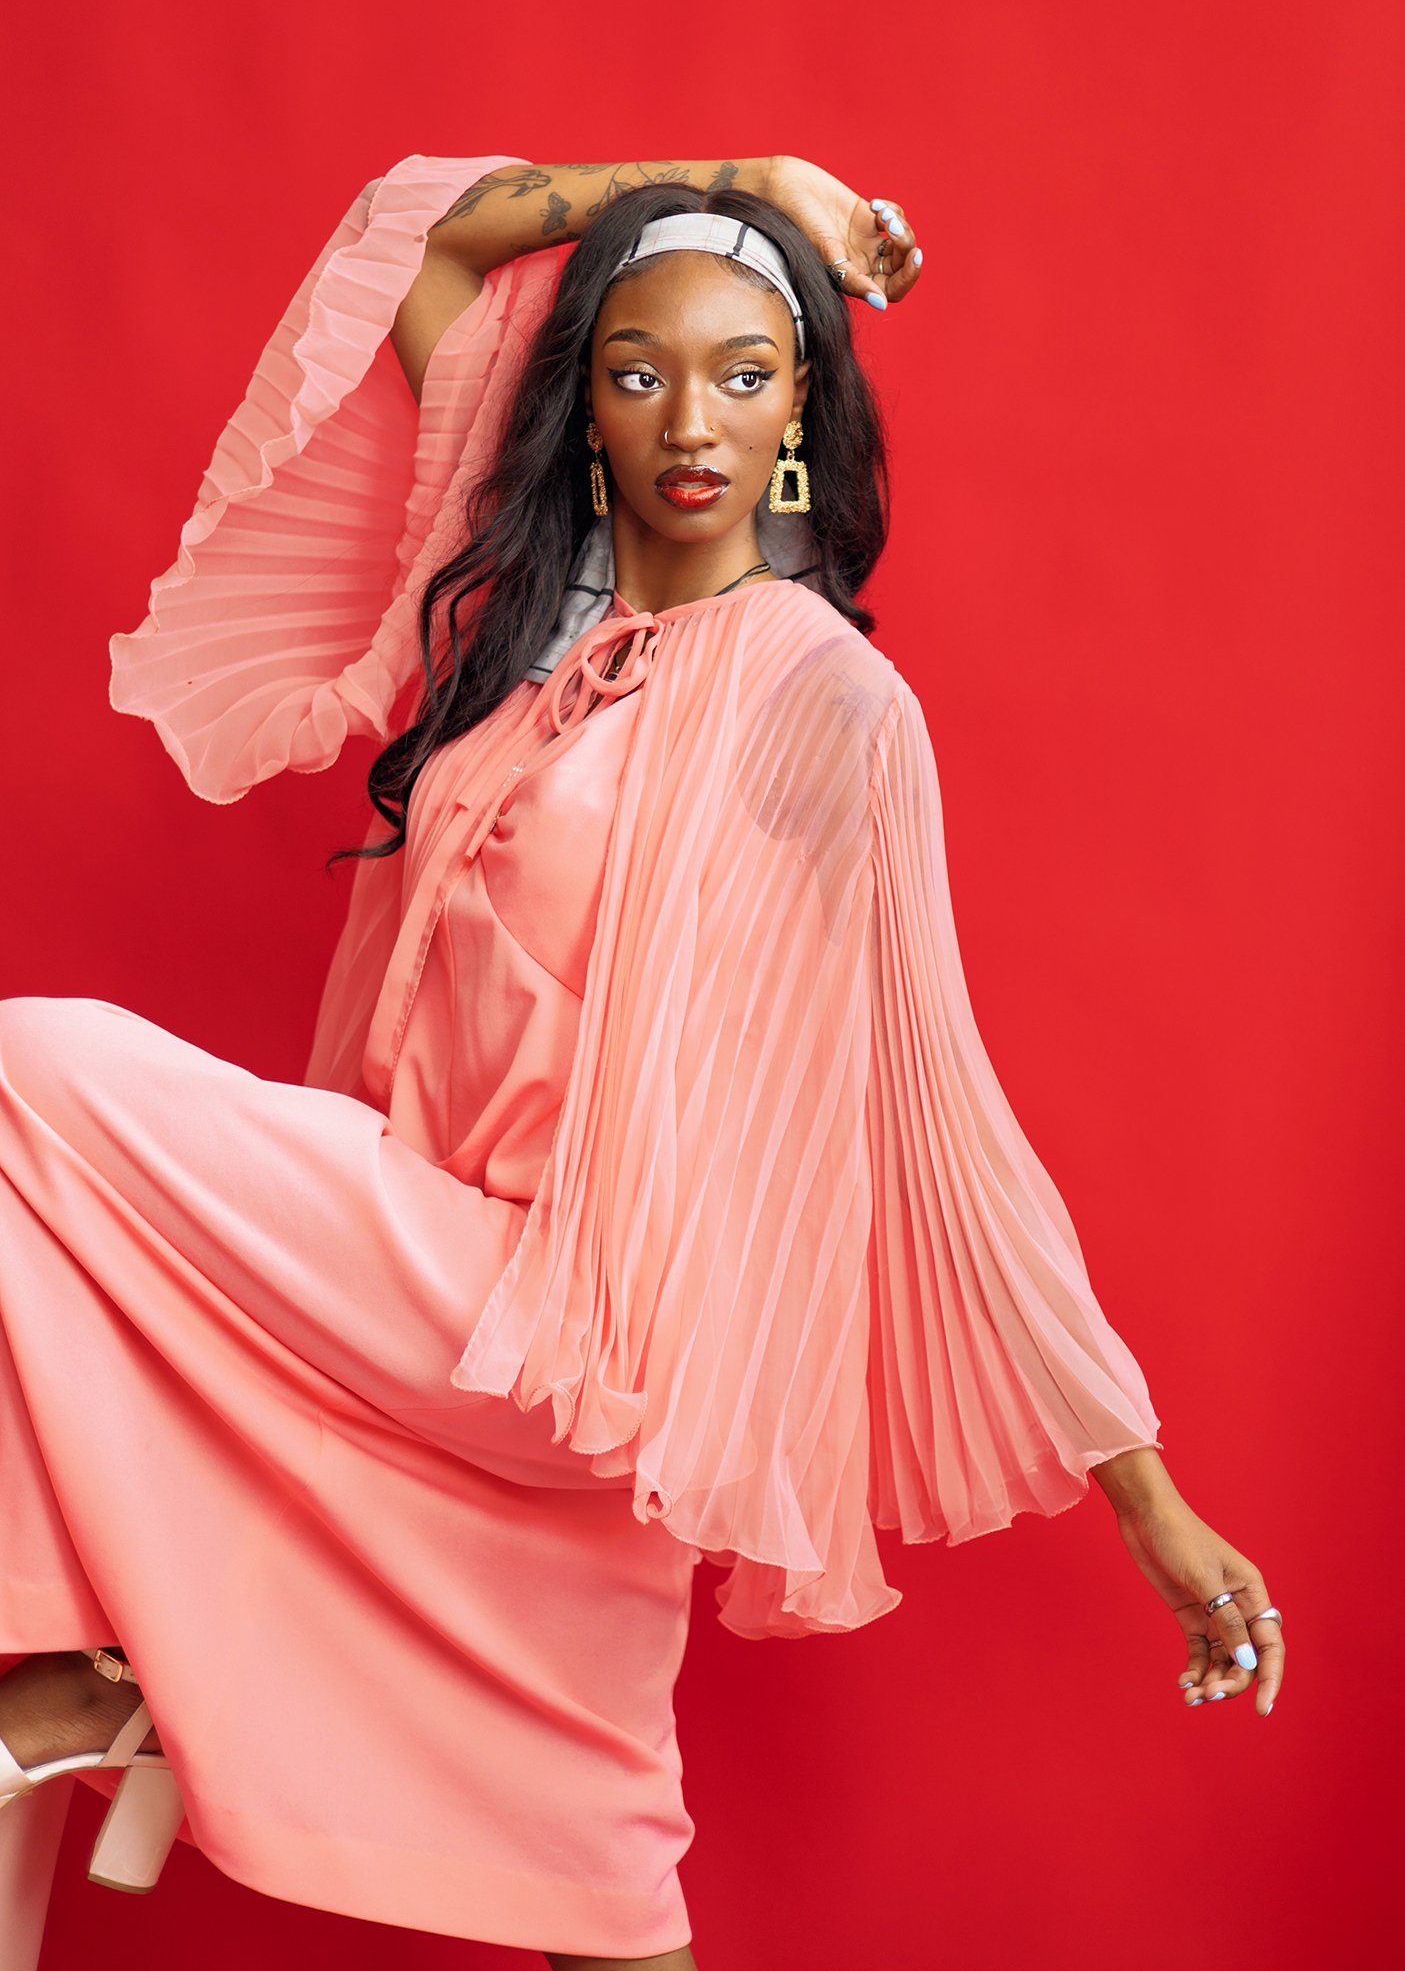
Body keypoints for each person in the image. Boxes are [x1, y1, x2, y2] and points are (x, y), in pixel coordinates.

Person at [0, 152, 1285, 1970]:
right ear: (579, 410)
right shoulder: (526, 626)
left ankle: (82, 1675)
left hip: (570, 1331)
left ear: (800, 424)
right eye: (638, 368)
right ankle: (89, 1674)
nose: (690, 415)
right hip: (420, 1275)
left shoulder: (822, 701)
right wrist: (743, 177)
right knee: (602, 1909)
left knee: (19, 1073)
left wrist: (1146, 1504)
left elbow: (932, 1107)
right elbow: (433, 239)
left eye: (748, 372)